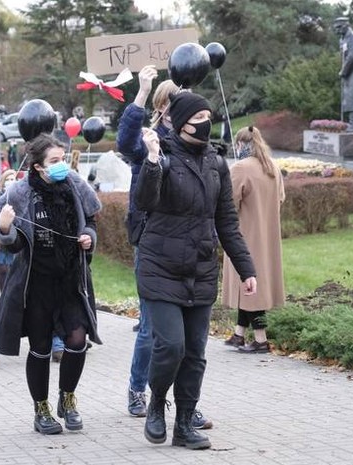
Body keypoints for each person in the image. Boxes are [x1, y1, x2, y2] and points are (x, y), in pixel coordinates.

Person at [136, 91, 257, 449]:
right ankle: (157, 402)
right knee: (171, 346)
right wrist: (152, 160)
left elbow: (227, 222)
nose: (206, 123)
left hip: (200, 269)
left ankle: (185, 424)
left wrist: (246, 268)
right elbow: (144, 200)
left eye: (208, 117)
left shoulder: (216, 163)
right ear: (181, 122)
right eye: (198, 118)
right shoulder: (162, 155)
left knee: (195, 353)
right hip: (160, 267)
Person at [116, 66, 213, 428]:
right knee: (153, 330)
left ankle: (186, 405)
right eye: (174, 105)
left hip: (190, 249)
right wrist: (141, 92)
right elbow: (126, 143)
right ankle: (140, 390)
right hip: (154, 246)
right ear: (163, 108)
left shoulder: (198, 146)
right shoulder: (151, 140)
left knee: (189, 340)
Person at [0, 134, 102, 435]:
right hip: (36, 283)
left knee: (77, 341)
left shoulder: (74, 185)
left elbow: (91, 221)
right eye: (54, 161)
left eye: (62, 159)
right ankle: (41, 409)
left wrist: (88, 237)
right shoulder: (21, 193)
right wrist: (4, 227)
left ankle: (67, 398)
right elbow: (13, 245)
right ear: (38, 166)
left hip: (71, 280)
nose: (62, 165)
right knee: (40, 347)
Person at [222, 126, 285, 353]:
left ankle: (260, 339)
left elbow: (227, 204)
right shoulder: (272, 166)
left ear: (241, 144)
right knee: (249, 287)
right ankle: (239, 334)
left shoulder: (240, 168)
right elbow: (281, 199)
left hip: (245, 236)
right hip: (268, 237)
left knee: (250, 289)